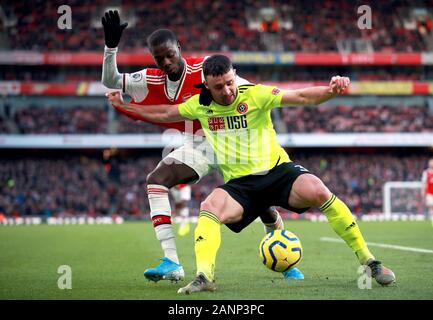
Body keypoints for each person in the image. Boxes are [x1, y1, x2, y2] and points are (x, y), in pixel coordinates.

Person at [107, 54, 396, 294]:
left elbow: (301, 96)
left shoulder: (255, 94)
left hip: (278, 172)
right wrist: (126, 106)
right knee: (209, 207)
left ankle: (369, 261)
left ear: (235, 75)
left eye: (230, 82)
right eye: (219, 87)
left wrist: (331, 90)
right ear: (206, 85)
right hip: (241, 186)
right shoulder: (199, 105)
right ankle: (204, 276)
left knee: (319, 190)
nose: (228, 91)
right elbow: (164, 114)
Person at [101, 11, 303, 282]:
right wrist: (111, 47)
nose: (166, 61)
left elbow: (240, 88)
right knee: (156, 181)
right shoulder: (149, 79)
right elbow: (110, 81)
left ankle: (287, 262)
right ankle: (172, 262)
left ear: (179, 49)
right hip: (200, 146)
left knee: (262, 202)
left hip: (233, 141)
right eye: (159, 58)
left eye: (170, 54)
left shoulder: (204, 69)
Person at [421, 158, 433, 226]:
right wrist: (423, 192)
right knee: (431, 207)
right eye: (430, 162)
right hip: (429, 193)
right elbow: (424, 183)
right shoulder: (426, 172)